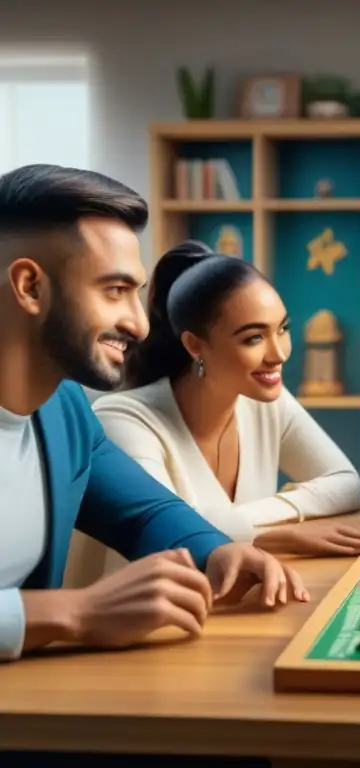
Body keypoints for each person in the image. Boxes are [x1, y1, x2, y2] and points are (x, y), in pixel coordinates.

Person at [0, 164, 306, 665]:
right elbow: (71, 613)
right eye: (114, 291)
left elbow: (146, 512)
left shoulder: (65, 412)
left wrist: (218, 551)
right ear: (30, 287)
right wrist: (72, 613)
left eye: (138, 294)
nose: (140, 325)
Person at [91, 240, 360, 561]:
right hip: (152, 606)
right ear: (195, 345)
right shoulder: (122, 419)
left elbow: (346, 485)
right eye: (254, 337)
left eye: (283, 329)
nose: (278, 354)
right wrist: (278, 537)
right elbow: (168, 532)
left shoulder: (267, 402)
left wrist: (253, 524)